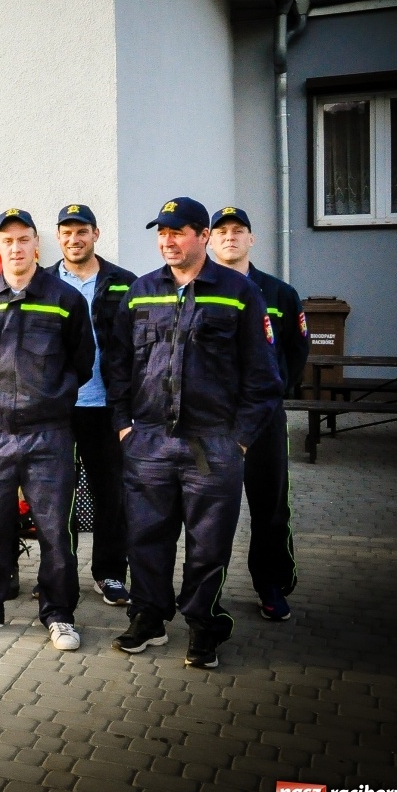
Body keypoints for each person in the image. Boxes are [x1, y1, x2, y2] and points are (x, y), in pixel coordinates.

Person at [106, 197, 282, 669]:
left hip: (212, 445)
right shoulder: (141, 291)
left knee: (208, 544)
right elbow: (118, 364)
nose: (167, 241)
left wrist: (240, 438)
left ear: (203, 236)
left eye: (178, 232)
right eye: (161, 233)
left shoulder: (238, 292)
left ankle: (203, 626)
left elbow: (264, 378)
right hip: (148, 443)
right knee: (145, 537)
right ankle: (149, 617)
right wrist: (123, 424)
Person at [0, 209, 94, 648]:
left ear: (36, 245)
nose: (15, 248)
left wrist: (51, 400)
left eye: (23, 239)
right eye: (7, 241)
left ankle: (59, 613)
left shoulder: (65, 299)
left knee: (53, 529)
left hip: (48, 433)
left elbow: (81, 363)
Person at [210, 205, 308, 621]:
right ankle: (208, 593)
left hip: (264, 420)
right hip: (212, 422)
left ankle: (270, 584)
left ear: (252, 239)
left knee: (269, 506)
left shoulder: (280, 293)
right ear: (210, 240)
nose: (230, 237)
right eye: (222, 231)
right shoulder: (198, 287)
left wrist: (271, 396)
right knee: (211, 511)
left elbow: (295, 352)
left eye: (238, 230)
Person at [47, 203, 137, 607]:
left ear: (96, 234)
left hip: (107, 407)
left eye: (81, 231)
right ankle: (57, 574)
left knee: (111, 494)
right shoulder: (43, 283)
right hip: (58, 408)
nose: (74, 239)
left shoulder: (124, 282)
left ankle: (110, 574)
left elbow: (139, 345)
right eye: (66, 232)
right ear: (58, 236)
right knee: (56, 496)